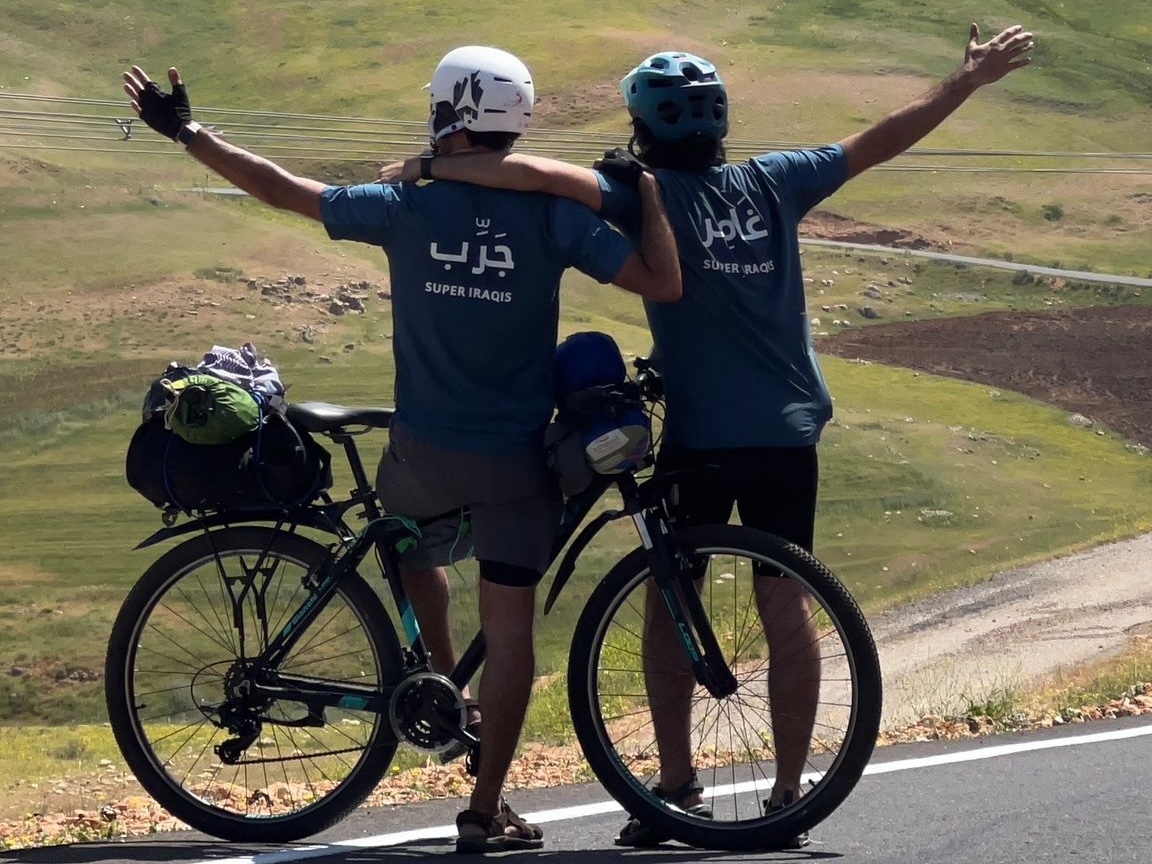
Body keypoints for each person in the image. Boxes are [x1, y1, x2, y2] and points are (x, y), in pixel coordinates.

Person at [378, 22, 1035, 848]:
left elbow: (533, 174)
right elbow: (879, 141)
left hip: (699, 434)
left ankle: (677, 787)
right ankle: (791, 795)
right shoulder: (776, 181)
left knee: (668, 597)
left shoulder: (640, 189)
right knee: (784, 599)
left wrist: (430, 167)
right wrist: (964, 81)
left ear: (642, 129)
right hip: (788, 429)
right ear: (719, 126)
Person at [122, 45, 682, 854]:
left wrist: (189, 134)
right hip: (512, 462)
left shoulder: (406, 204)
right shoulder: (555, 214)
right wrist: (651, 197)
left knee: (417, 549)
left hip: (419, 454)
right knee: (514, 629)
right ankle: (484, 807)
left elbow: (287, 191)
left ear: (448, 113)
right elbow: (662, 283)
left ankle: (446, 692)